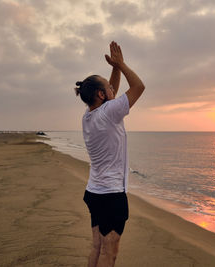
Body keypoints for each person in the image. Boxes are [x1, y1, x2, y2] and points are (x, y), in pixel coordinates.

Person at [74, 41, 145, 267]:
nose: (113, 89)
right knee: (110, 252)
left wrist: (114, 69)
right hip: (111, 194)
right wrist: (121, 64)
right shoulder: (109, 113)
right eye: (108, 88)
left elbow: (111, 92)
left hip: (94, 192)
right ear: (101, 95)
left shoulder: (89, 115)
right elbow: (139, 87)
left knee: (97, 246)